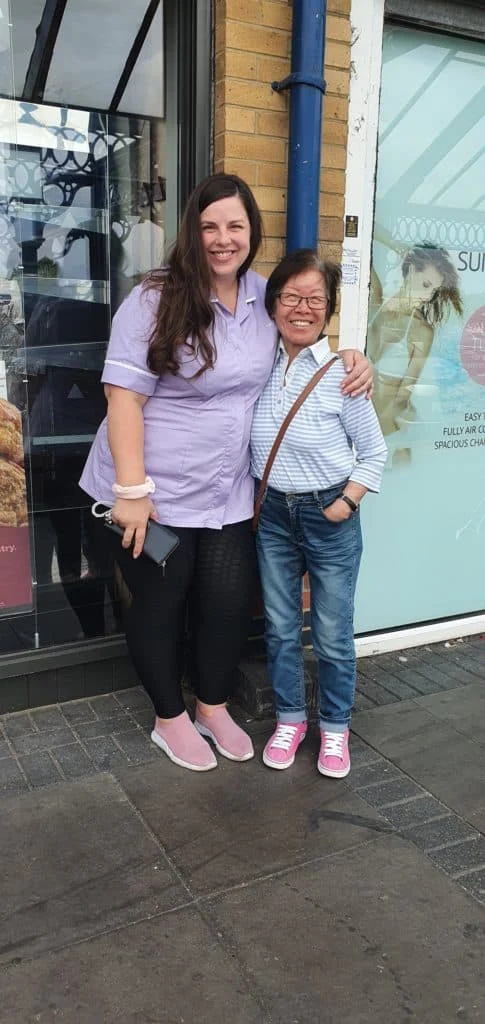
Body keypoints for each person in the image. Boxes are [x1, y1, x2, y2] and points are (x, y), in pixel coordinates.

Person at [80, 173, 374, 773]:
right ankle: (169, 719)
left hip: (229, 492)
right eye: (209, 226)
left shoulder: (264, 297)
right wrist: (131, 492)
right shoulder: (155, 298)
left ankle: (212, 706)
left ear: (251, 232)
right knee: (160, 604)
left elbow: (303, 335)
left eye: (235, 226)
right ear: (192, 231)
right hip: (151, 492)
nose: (222, 239)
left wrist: (350, 354)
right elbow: (122, 397)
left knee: (226, 602)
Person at [251, 249, 387, 778]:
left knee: (331, 632)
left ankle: (334, 728)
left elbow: (373, 452)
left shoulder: (343, 374)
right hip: (272, 516)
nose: (302, 308)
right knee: (282, 628)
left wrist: (345, 503)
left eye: (315, 299)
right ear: (273, 304)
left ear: (328, 309)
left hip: (327, 514)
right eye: (291, 297)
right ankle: (290, 720)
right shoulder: (256, 366)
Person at [367, 241, 462, 464]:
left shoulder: (421, 330)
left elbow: (404, 394)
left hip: (391, 434)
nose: (428, 296)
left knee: (400, 479)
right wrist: (396, 245)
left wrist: (396, 437)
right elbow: (358, 247)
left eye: (434, 290)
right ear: (410, 271)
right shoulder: (374, 303)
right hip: (360, 429)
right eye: (426, 284)